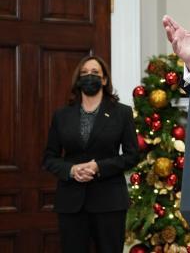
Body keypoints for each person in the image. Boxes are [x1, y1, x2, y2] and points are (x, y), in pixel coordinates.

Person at [43, 56, 138, 253]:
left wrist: (99, 167)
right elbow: (49, 158)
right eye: (84, 73)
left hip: (109, 202)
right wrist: (70, 170)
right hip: (71, 203)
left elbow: (131, 156)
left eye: (95, 73)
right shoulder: (62, 115)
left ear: (104, 80)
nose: (89, 77)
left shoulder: (122, 113)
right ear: (78, 80)